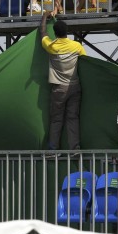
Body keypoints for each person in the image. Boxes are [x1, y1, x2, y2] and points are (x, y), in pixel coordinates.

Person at [40, 12, 87, 151]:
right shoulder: (76, 46)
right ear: (67, 32)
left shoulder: (52, 46)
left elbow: (42, 33)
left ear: (54, 33)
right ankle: (75, 148)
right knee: (72, 118)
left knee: (56, 119)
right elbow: (86, 61)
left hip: (59, 89)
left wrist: (44, 17)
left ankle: (54, 148)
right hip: (75, 87)